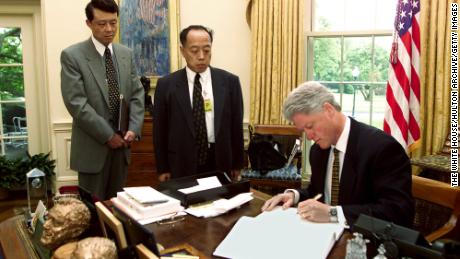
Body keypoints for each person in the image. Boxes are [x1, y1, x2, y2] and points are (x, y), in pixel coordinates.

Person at [261, 81, 414, 227]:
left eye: (310, 126)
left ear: (328, 110)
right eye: (304, 130)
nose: (308, 136)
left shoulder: (382, 148)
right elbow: (318, 193)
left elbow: (397, 212)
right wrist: (294, 196)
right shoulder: (318, 151)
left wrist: (333, 214)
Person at [61, 0, 144, 200]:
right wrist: (108, 135)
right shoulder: (72, 56)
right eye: (101, 23)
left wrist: (134, 127)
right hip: (93, 149)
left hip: (122, 146)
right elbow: (76, 103)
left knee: (118, 208)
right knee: (93, 212)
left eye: (113, 23)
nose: (109, 29)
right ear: (88, 23)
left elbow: (137, 94)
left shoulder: (126, 54)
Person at [153, 25, 244, 181]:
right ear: (183, 51)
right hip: (181, 162)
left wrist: (237, 164)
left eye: (207, 50)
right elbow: (160, 131)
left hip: (219, 160)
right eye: (194, 51)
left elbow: (236, 126)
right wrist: (163, 168)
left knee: (222, 203)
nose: (201, 56)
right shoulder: (166, 85)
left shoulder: (229, 82)